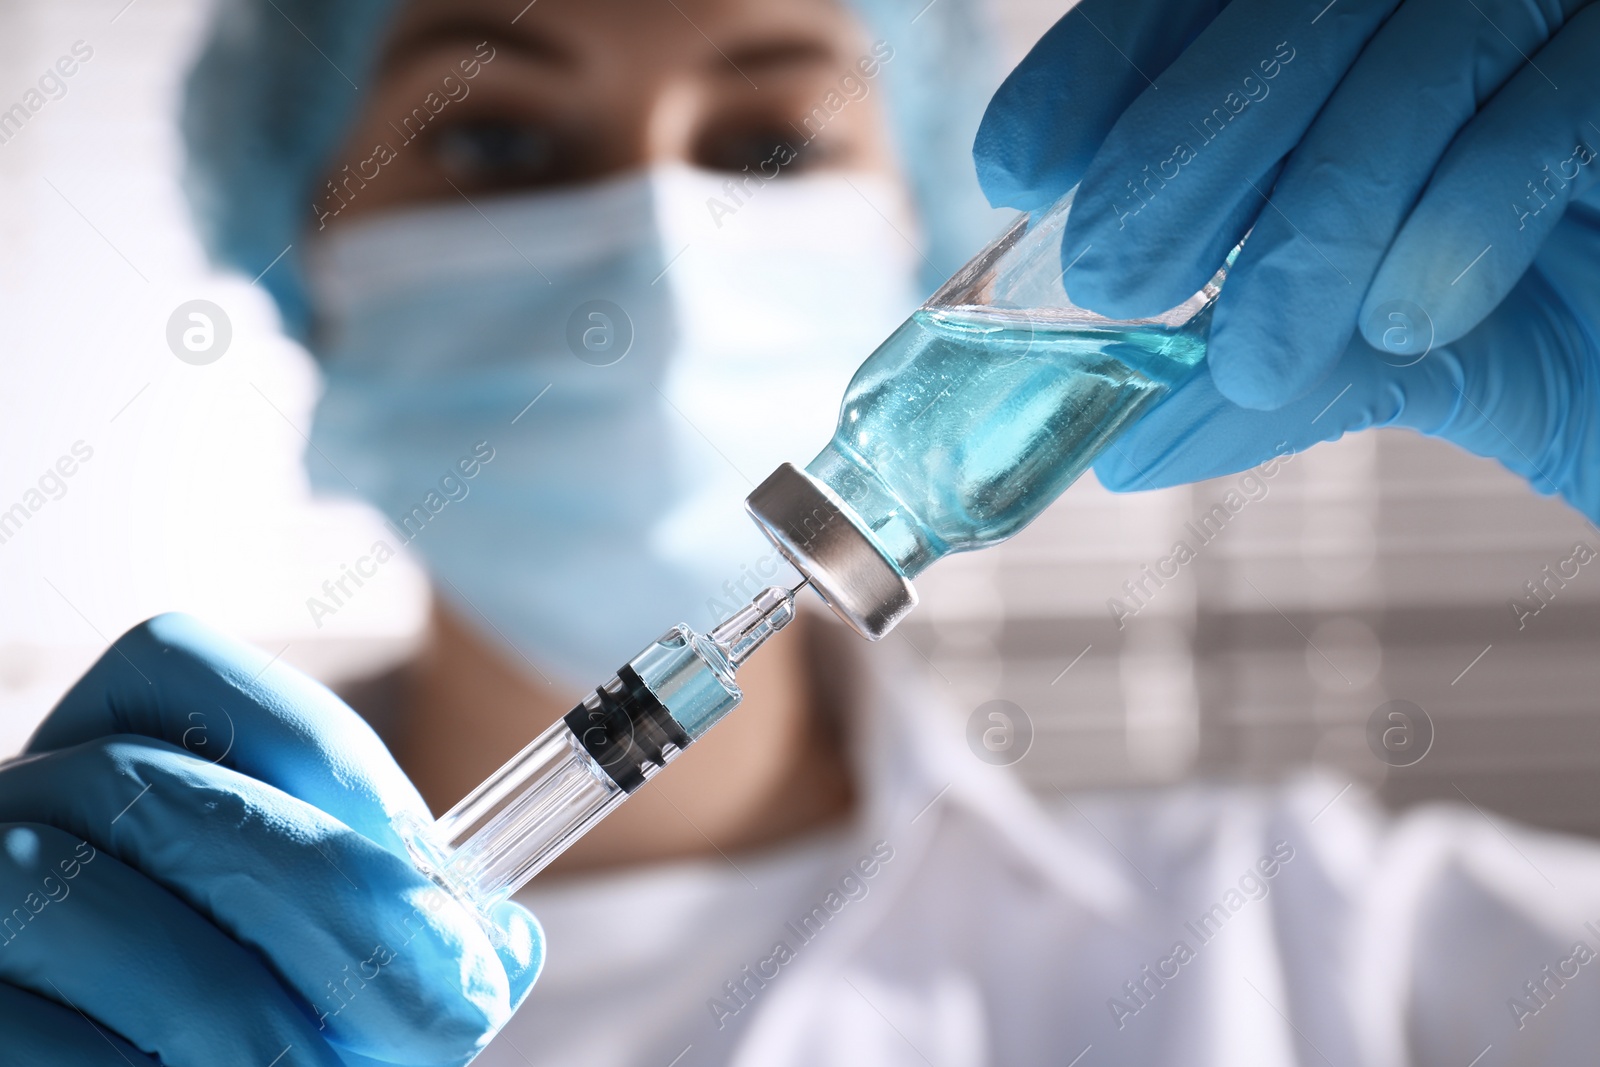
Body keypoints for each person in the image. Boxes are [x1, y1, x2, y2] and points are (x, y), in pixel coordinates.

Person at [3, 0, 1600, 1064]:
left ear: (925, 236)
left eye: (770, 141)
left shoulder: (1335, 961)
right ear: (307, 267)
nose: (658, 239)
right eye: (493, 136)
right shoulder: (75, 924)